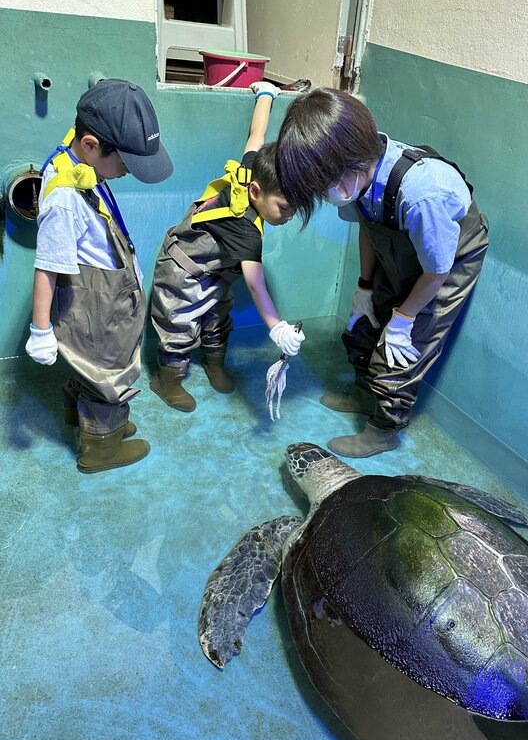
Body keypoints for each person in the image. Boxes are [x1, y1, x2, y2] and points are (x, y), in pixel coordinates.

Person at [276, 88, 489, 458]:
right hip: (401, 245)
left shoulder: (422, 193)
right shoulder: (355, 179)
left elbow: (437, 269)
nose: (321, 195)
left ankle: (384, 430)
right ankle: (363, 395)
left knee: (399, 352)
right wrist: (364, 286)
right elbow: (368, 229)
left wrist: (405, 318)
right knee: (363, 328)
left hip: (446, 259)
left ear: (349, 165)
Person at [25, 79, 173, 473]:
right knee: (109, 373)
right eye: (124, 164)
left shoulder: (80, 161)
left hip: (104, 297)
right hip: (96, 307)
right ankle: (101, 447)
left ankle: (83, 418)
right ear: (90, 145)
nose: (125, 172)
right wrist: (41, 331)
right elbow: (48, 265)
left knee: (89, 371)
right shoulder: (64, 198)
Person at [149, 82, 304, 412]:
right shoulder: (246, 229)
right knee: (179, 325)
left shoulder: (252, 171)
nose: (288, 216)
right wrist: (276, 328)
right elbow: (255, 283)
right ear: (256, 192)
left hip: (215, 272)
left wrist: (266, 95)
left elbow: (256, 137)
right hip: (182, 272)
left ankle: (214, 363)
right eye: (285, 207)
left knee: (218, 318)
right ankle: (168, 378)